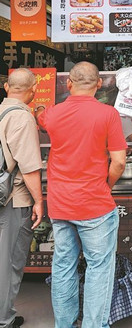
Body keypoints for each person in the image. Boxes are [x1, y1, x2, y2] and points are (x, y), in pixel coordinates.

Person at [35, 62, 127, 328]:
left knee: (64, 265)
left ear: (69, 84)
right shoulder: (108, 114)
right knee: (98, 267)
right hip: (95, 204)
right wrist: (106, 185)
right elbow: (119, 162)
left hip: (61, 204)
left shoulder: (53, 114)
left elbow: (40, 117)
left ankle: (63, 324)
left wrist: (39, 109)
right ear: (99, 84)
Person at [0, 68, 43, 328]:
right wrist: (38, 201)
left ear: (7, 87)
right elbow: (29, 168)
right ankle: (4, 320)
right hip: (13, 199)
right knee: (9, 263)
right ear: (33, 89)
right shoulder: (22, 117)